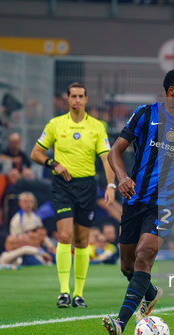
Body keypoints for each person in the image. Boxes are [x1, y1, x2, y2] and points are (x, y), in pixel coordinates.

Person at [102, 68, 174, 335]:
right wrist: (122, 178)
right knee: (127, 266)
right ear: (171, 91)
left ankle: (120, 323)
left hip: (166, 202)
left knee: (145, 254)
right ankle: (150, 294)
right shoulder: (145, 113)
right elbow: (115, 151)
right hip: (135, 198)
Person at [30, 82, 116, 309]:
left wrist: (110, 185)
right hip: (63, 186)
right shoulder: (55, 124)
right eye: (73, 96)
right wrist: (53, 164)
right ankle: (64, 292)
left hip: (87, 187)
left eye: (81, 96)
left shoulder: (97, 127)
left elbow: (106, 158)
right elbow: (36, 153)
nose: (77, 100)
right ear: (67, 99)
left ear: (86, 99)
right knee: (64, 236)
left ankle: (79, 294)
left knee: (81, 241)